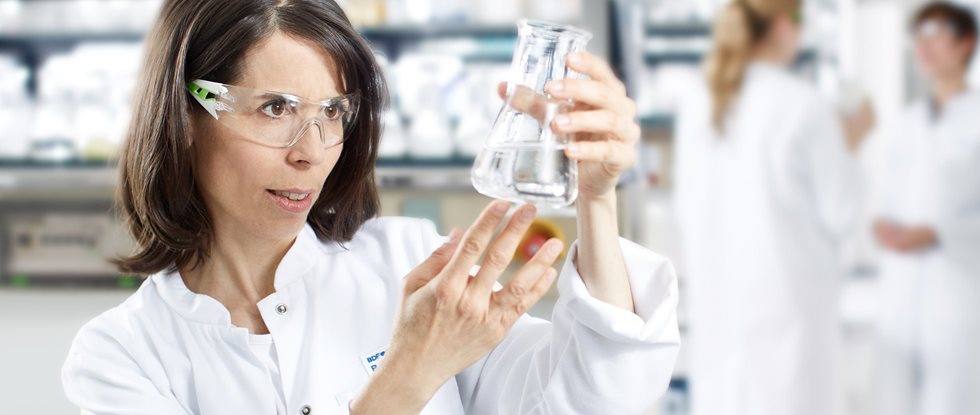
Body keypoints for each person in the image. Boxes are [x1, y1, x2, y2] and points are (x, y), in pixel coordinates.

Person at [59, 1, 681, 414]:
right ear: (185, 114)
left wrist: (597, 196)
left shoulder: (410, 266)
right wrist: (408, 376)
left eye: (333, 112)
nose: (312, 153)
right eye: (275, 108)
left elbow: (593, 396)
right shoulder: (123, 356)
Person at [672, 0, 874, 414]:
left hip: (719, 313)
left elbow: (685, 208)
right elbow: (841, 214)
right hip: (790, 318)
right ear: (784, 25)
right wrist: (851, 143)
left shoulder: (698, 101)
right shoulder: (803, 104)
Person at [872, 3, 980, 414]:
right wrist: (883, 225)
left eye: (936, 34)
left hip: (959, 293)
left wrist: (939, 233)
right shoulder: (907, 122)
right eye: (919, 37)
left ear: (966, 43)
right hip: (900, 295)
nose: (924, 46)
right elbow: (890, 196)